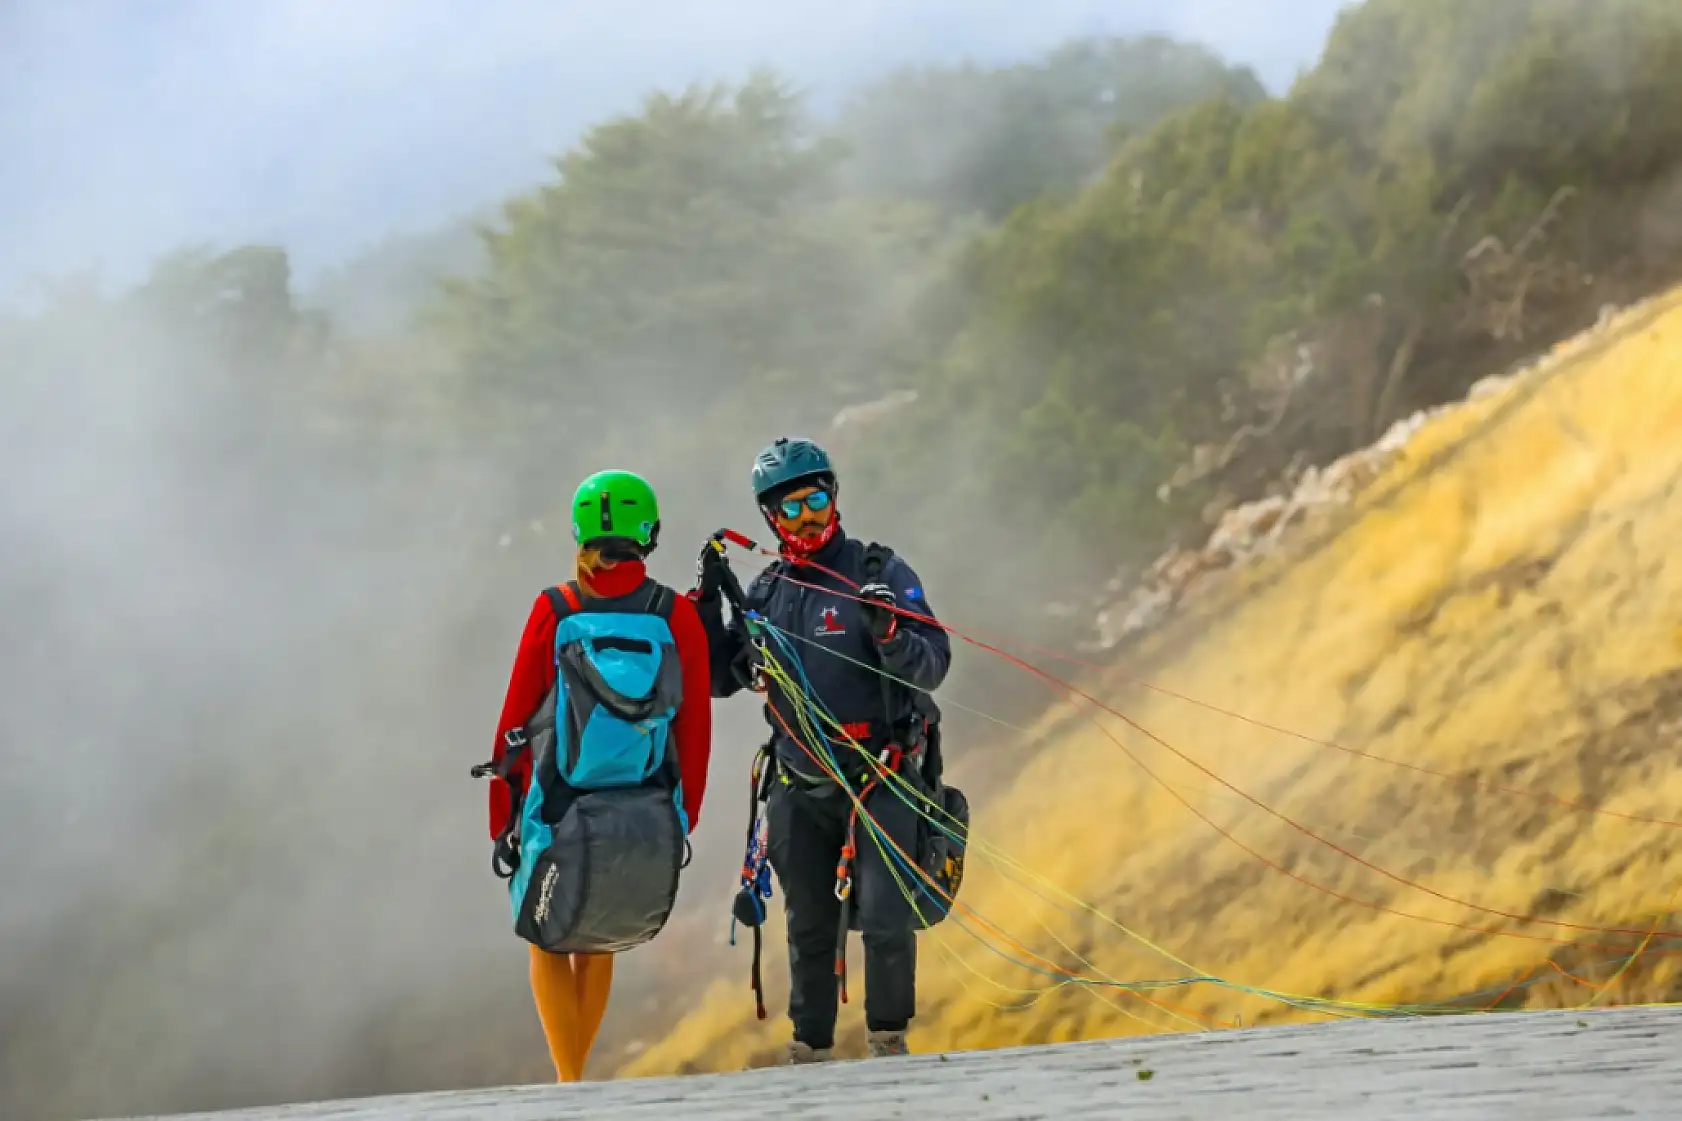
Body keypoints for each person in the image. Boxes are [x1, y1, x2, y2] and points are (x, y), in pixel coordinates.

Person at [693, 436, 952, 1063]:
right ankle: (809, 1051)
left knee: (888, 919)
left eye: (814, 501)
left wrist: (890, 636)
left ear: (832, 497)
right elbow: (720, 679)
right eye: (790, 509)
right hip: (798, 782)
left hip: (881, 776)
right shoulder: (765, 590)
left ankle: (889, 1043)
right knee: (807, 924)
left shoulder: (878, 571)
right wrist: (707, 604)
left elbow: (934, 663)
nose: (806, 518)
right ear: (770, 519)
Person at [481, 468, 713, 1083]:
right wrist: (686, 809)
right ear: (648, 532)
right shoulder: (674, 614)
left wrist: (501, 808)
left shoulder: (557, 608)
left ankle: (570, 1083)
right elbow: (695, 725)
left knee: (545, 931)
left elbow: (516, 717)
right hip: (647, 799)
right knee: (599, 933)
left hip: (560, 796)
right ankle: (574, 1083)